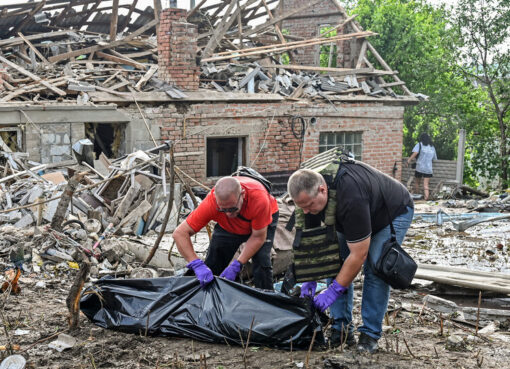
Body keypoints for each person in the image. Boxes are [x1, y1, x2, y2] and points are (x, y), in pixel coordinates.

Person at [287, 159, 413, 353]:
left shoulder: (351, 197)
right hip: (354, 216)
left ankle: (369, 334)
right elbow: (311, 244)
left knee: (375, 269)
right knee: (334, 262)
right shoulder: (308, 200)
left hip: (391, 212)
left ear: (322, 190)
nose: (306, 211)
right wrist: (308, 279)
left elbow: (358, 255)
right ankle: (341, 329)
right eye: (301, 207)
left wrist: (334, 290)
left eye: (309, 206)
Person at [172, 176, 279, 290]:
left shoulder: (259, 200)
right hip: (228, 226)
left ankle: (266, 300)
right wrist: (195, 263)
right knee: (214, 261)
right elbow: (179, 234)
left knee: (262, 262)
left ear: (242, 195)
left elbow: (257, 237)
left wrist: (238, 264)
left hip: (262, 220)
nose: (228, 214)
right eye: (223, 209)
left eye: (232, 209)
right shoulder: (211, 204)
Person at [407, 133, 437, 200]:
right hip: (428, 168)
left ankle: (417, 196)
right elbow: (434, 158)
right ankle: (426, 199)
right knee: (426, 184)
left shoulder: (419, 144)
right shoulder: (432, 147)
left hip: (419, 167)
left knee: (417, 182)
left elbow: (415, 153)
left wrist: (408, 160)